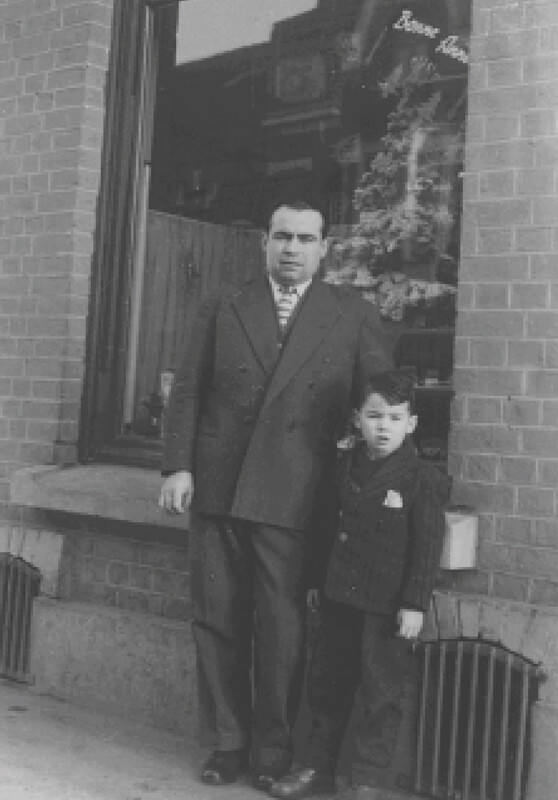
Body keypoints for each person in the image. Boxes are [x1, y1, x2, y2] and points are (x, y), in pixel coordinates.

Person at [159, 200, 391, 790]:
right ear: (265, 241)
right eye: (282, 237)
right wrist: (177, 468)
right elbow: (187, 392)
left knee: (281, 629)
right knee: (216, 619)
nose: (292, 249)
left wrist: (380, 479)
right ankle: (228, 745)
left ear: (324, 249)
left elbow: (379, 402)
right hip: (217, 487)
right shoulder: (222, 304)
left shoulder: (352, 313)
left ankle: (273, 751)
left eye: (305, 239)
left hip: (296, 495)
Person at [269, 369, 450, 800]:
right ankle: (314, 767)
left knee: (380, 691)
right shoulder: (342, 468)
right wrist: (316, 581)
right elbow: (323, 532)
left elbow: (426, 548)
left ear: (411, 424)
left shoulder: (422, 480)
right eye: (374, 416)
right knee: (327, 682)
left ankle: (368, 778)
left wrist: (414, 603)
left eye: (393, 417)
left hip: (386, 608)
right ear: (357, 420)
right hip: (338, 596)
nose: (383, 426)